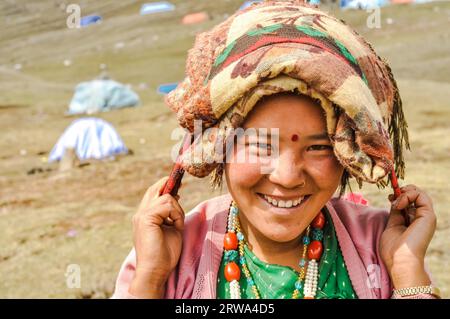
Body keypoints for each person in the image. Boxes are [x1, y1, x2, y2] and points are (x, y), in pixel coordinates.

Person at [112, 1, 439, 299]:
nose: (286, 177)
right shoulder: (173, 254)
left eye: (318, 147)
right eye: (259, 145)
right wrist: (151, 279)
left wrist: (407, 269)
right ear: (220, 146)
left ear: (347, 154)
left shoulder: (380, 249)